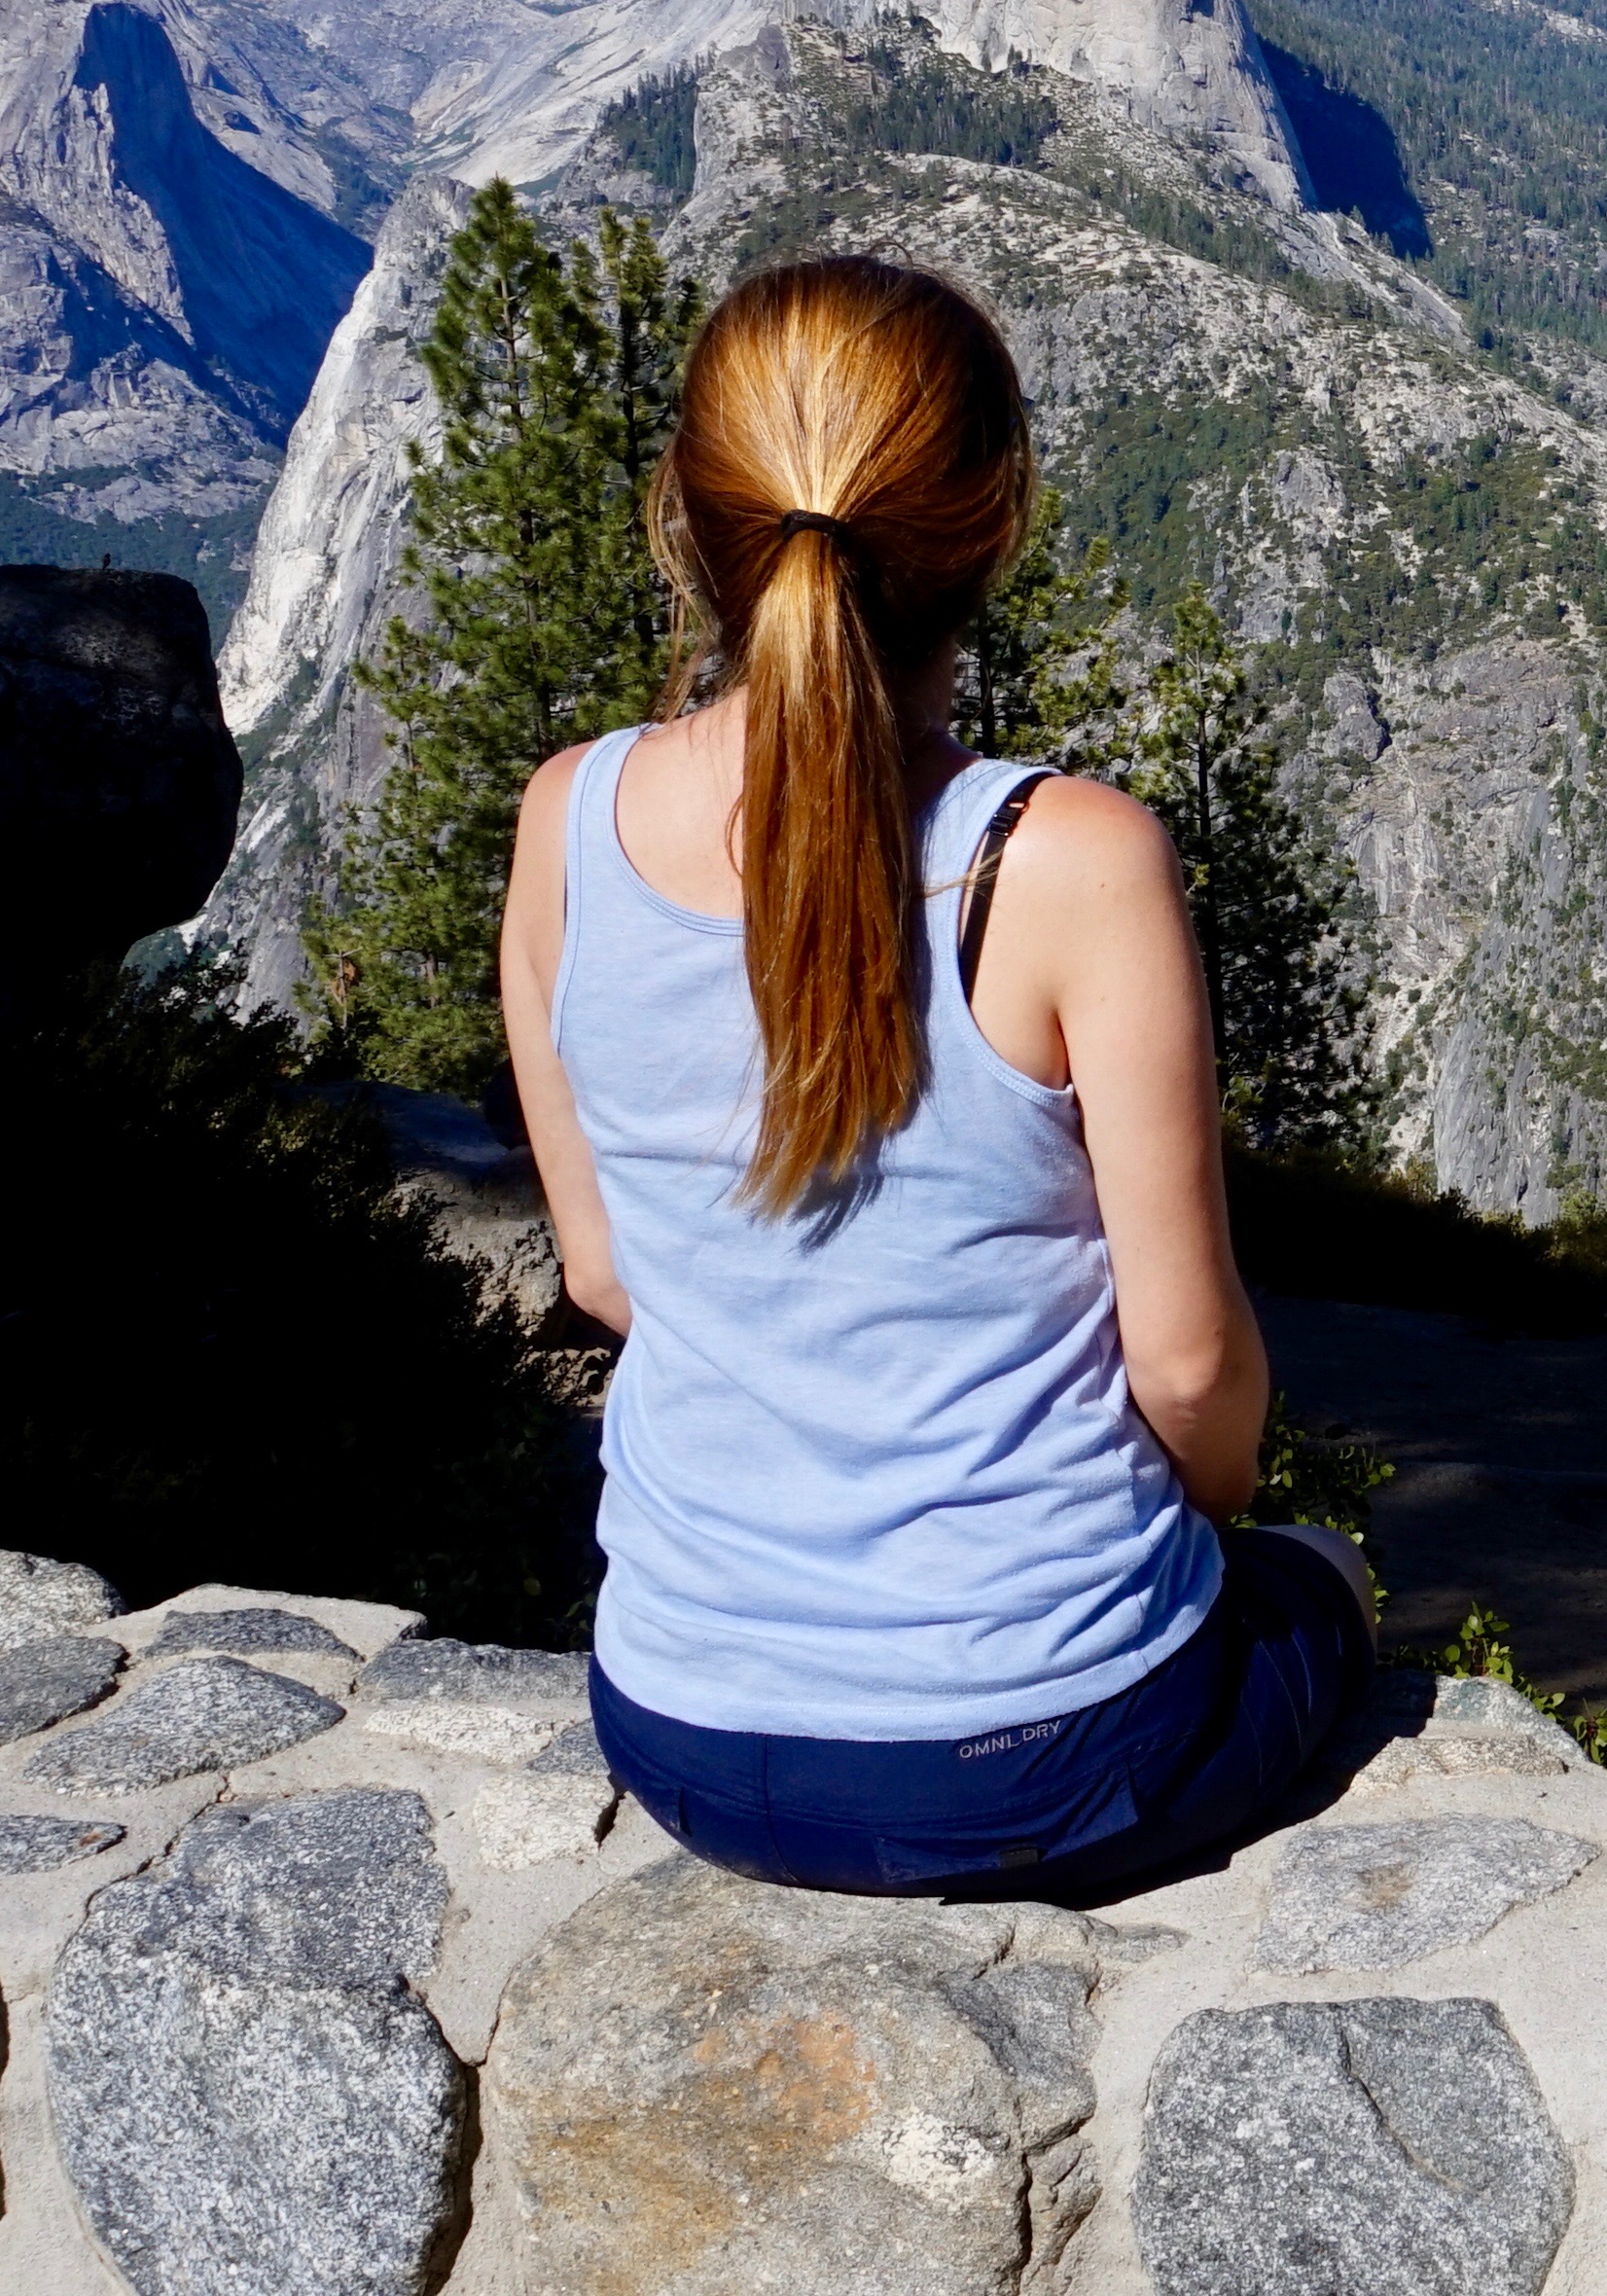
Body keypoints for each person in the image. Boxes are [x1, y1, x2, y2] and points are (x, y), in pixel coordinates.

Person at [498, 252, 1372, 1897]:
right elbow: (1187, 1372)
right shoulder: (1065, 862)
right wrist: (1221, 1513)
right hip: (1042, 1751)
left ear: (686, 521)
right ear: (993, 528)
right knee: (1315, 1579)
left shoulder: (568, 822)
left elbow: (605, 1274)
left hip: (681, 1732)